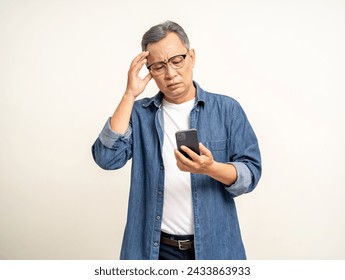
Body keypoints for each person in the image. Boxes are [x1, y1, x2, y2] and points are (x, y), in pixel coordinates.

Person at [92, 20, 262, 260]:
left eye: (176, 61)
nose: (170, 74)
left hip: (216, 248)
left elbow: (251, 174)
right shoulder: (139, 114)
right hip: (155, 250)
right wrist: (129, 94)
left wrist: (211, 168)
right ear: (149, 70)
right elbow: (106, 158)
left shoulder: (227, 110)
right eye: (158, 66)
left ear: (191, 57)